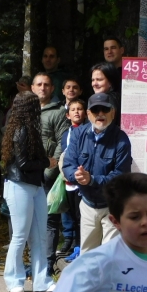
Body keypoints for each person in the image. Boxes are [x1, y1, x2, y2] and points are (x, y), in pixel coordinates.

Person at [1, 91, 56, 292]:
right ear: (30, 109)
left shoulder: (29, 129)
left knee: (40, 235)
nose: (39, 109)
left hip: (34, 186)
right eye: (35, 105)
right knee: (20, 235)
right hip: (19, 185)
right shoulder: (22, 131)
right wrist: (47, 162)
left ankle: (41, 280)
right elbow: (24, 163)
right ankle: (14, 279)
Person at [62, 93, 132, 253]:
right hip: (87, 204)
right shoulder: (78, 135)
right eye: (95, 110)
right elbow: (68, 164)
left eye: (105, 109)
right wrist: (76, 176)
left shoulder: (121, 139)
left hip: (112, 206)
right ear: (88, 114)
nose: (100, 114)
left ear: (112, 113)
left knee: (109, 254)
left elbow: (120, 176)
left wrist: (92, 180)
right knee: (87, 254)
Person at [31, 72, 70, 274]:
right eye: (39, 84)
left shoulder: (58, 112)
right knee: (31, 221)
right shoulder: (27, 111)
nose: (43, 88)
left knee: (49, 221)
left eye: (47, 84)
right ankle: (33, 262)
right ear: (32, 87)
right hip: (27, 175)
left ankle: (46, 263)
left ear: (52, 88)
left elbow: (61, 143)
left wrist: (49, 170)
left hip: (47, 176)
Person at [57, 98, 88, 260]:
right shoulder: (66, 134)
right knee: (71, 216)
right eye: (73, 109)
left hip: (81, 180)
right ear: (68, 115)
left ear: (85, 113)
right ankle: (73, 244)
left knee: (81, 215)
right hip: (67, 180)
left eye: (80, 109)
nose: (76, 112)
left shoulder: (88, 131)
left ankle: (80, 247)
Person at [90, 62, 121, 127]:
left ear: (110, 82)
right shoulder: (117, 98)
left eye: (99, 80)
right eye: (93, 80)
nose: (94, 84)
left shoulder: (110, 100)